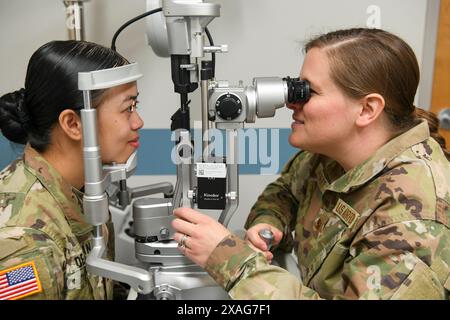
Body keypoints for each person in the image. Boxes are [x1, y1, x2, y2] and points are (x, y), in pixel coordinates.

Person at [171, 28, 450, 299]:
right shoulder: (329, 156)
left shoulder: (413, 216)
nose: (292, 103)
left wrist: (229, 258)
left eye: (308, 91)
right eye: (295, 87)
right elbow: (284, 192)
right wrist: (268, 225)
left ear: (367, 109)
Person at [0, 40, 143, 300]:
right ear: (73, 124)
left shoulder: (82, 193)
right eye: (127, 108)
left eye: (136, 106)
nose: (138, 122)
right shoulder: (26, 240)